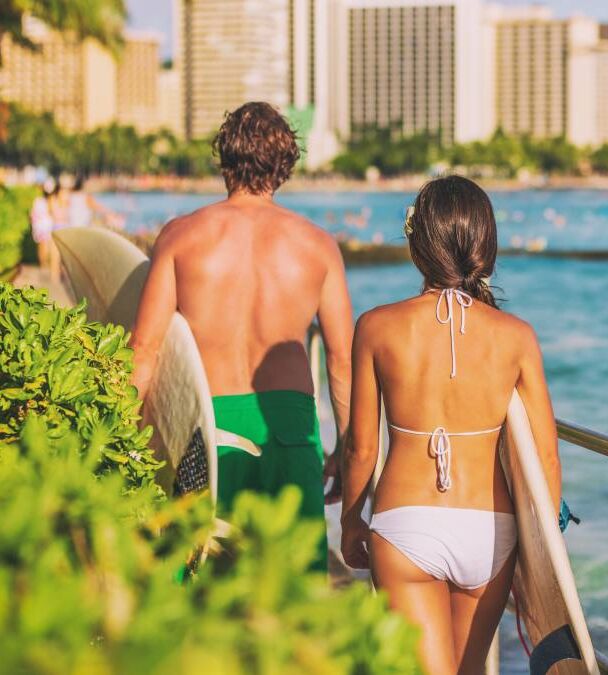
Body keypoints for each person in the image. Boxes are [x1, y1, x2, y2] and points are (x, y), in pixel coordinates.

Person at [340, 176, 561, 674]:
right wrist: (542, 560)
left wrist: (351, 521)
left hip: (405, 528)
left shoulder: (376, 326)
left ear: (418, 244)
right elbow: (546, 458)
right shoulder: (517, 336)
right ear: (486, 246)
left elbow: (361, 448)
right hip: (491, 531)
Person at [130, 102, 354, 572]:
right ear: (285, 166)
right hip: (288, 429)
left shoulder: (179, 237)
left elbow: (144, 349)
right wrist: (347, 449)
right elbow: (341, 361)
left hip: (206, 429)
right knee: (290, 594)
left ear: (224, 159)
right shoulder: (318, 247)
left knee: (200, 584)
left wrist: (127, 441)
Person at [30, 179, 58, 281]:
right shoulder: (52, 200)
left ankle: (44, 266)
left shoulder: (38, 200)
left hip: (42, 227)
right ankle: (46, 267)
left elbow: (32, 214)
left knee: (43, 248)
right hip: (47, 227)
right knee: (47, 249)